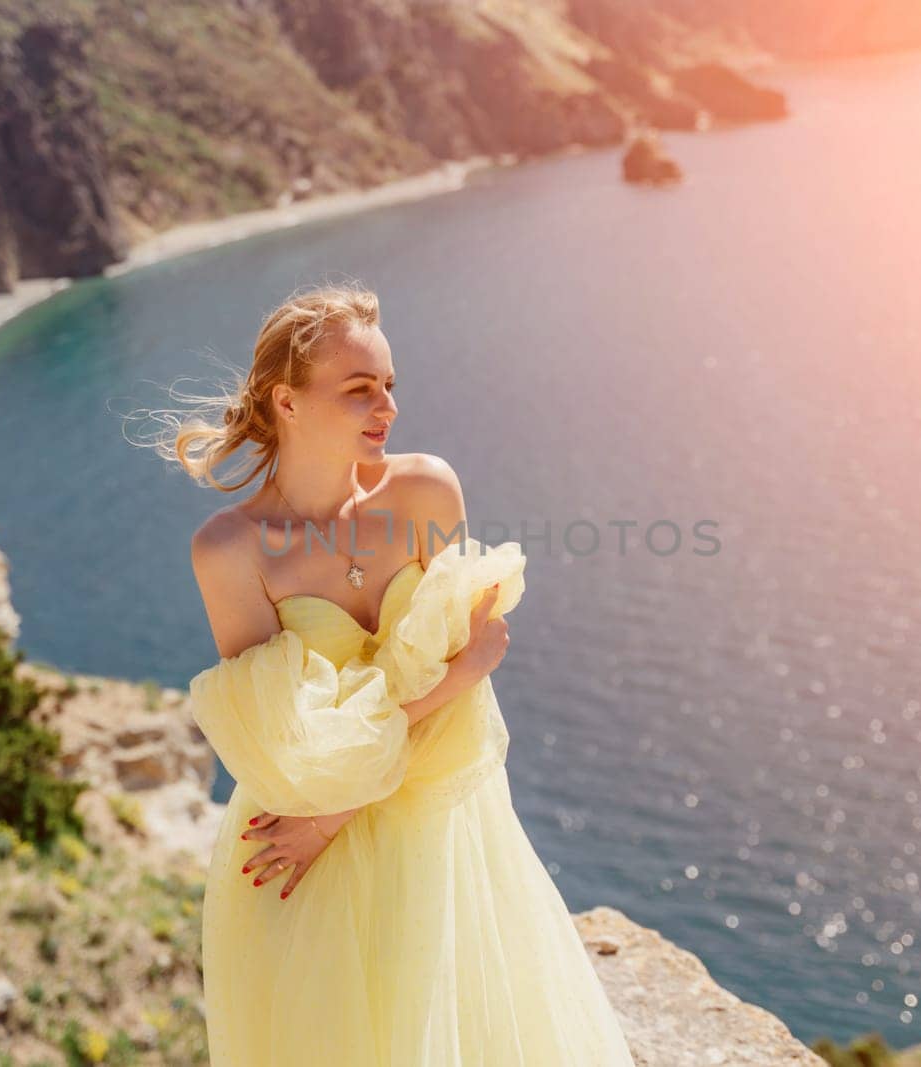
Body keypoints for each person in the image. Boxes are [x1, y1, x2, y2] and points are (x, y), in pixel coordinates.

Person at [162, 282, 636, 1065]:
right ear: (287, 399)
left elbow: (467, 709)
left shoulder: (426, 492)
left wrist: (340, 806)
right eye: (359, 390)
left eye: (389, 385)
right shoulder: (229, 550)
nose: (386, 406)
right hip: (300, 862)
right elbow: (288, 748)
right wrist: (455, 675)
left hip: (443, 827)